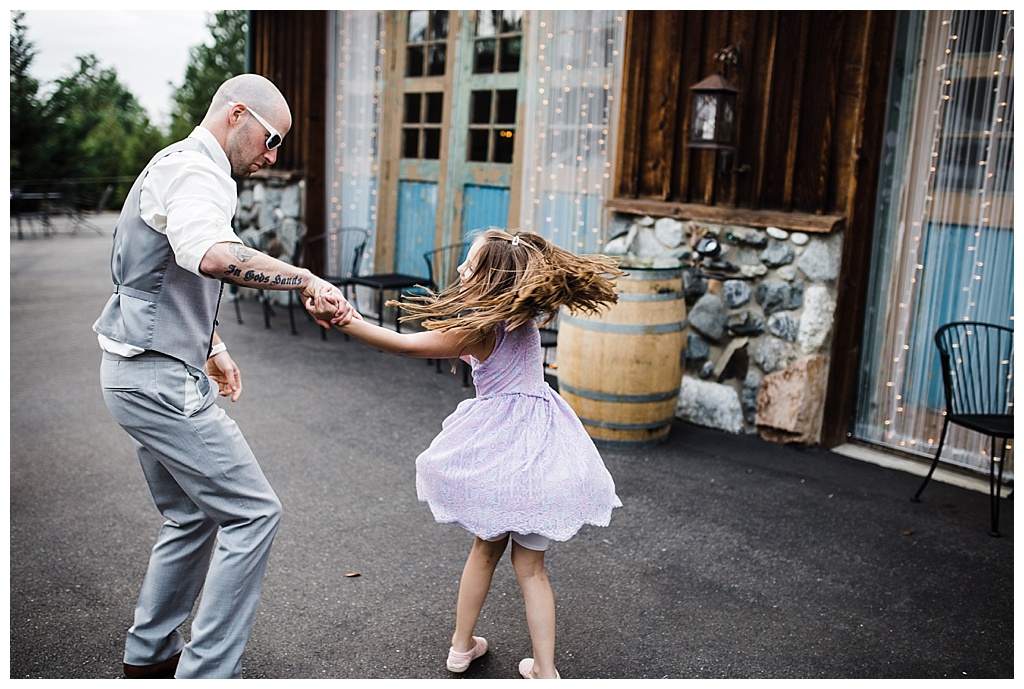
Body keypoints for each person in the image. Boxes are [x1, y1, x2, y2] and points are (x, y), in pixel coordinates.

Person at [93, 73, 356, 679]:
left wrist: (212, 343)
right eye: (271, 140)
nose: (270, 157)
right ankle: (205, 675)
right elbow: (210, 253)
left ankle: (151, 655)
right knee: (254, 512)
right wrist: (308, 280)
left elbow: (153, 268)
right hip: (157, 382)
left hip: (136, 371)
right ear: (237, 115)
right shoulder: (197, 170)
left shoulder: (174, 162)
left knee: (191, 514)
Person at [308, 228, 624, 679]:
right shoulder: (525, 319)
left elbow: (403, 344)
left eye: (470, 265)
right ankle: (546, 672)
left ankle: (461, 648)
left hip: (498, 456)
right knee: (531, 569)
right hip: (541, 454)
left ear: (491, 278)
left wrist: (346, 320)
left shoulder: (477, 330)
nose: (460, 269)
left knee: (483, 551)